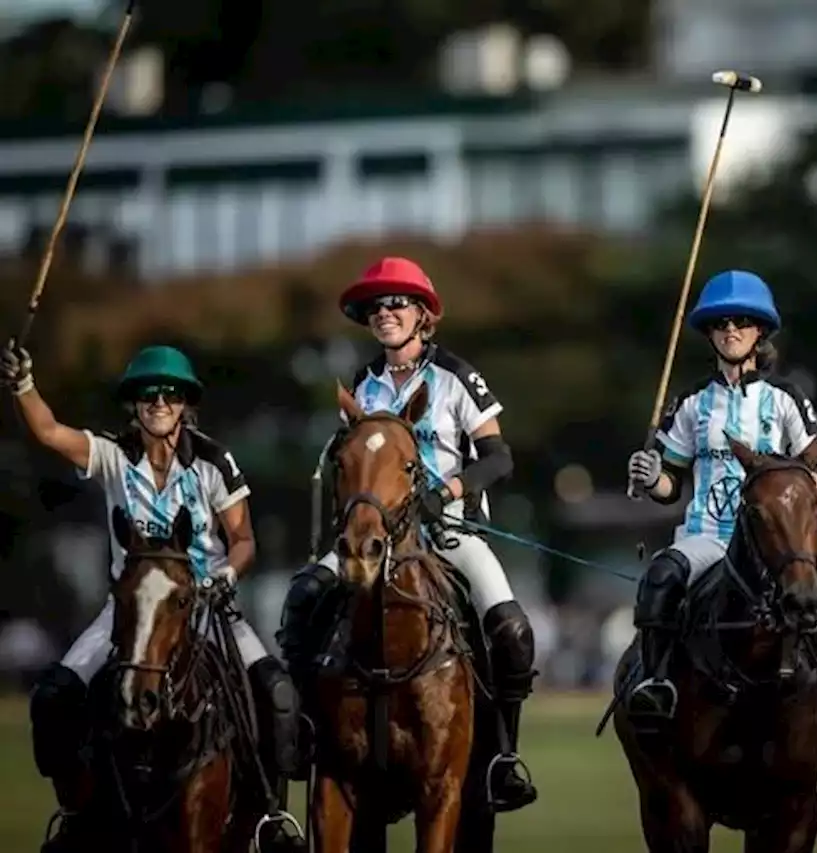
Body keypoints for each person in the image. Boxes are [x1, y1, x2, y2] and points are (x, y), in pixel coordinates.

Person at [0, 342, 302, 853]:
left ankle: (268, 819)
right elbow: (50, 431)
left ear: (185, 403)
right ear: (133, 404)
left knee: (277, 694)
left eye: (168, 394)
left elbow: (243, 539)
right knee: (53, 696)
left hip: (206, 604)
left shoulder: (212, 462)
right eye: (147, 395)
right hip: (130, 608)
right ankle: (75, 813)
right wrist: (23, 386)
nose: (158, 402)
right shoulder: (114, 456)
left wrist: (226, 575)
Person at [277, 256, 538, 812]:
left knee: (511, 630)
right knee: (302, 600)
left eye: (396, 303)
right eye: (376, 306)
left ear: (423, 315)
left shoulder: (456, 377)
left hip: (445, 531)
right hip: (370, 535)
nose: (385, 313)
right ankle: (304, 735)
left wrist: (444, 493)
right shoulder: (362, 384)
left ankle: (502, 757)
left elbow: (498, 457)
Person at [624, 269, 817, 779]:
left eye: (741, 322)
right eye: (720, 323)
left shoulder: (786, 400)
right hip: (707, 537)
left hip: (777, 547)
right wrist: (652, 479)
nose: (730, 330)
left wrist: (803, 490)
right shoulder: (691, 403)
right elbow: (671, 482)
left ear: (760, 333)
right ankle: (658, 685)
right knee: (661, 579)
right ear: (709, 334)